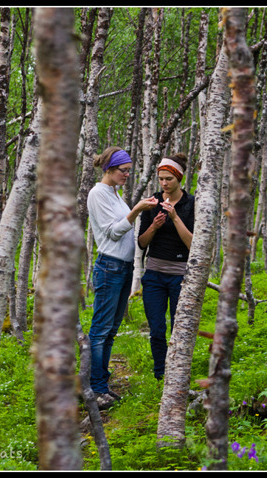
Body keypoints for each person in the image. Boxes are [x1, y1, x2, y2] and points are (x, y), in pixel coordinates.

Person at [87, 146, 158, 409]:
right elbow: (113, 232)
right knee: (101, 330)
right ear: (109, 169)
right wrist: (137, 209)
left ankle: (103, 384)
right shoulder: (98, 194)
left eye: (129, 171)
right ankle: (95, 388)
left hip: (124, 267)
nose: (127, 175)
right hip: (109, 267)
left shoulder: (115, 194)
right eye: (123, 171)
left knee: (111, 330)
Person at [138, 153, 195, 380]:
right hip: (153, 275)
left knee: (178, 328)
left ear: (179, 178)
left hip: (180, 276)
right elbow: (142, 243)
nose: (164, 183)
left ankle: (178, 372)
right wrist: (153, 226)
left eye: (168, 179)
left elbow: (193, 243)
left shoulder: (191, 204)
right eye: (160, 178)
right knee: (157, 328)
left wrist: (174, 218)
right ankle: (160, 373)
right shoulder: (151, 203)